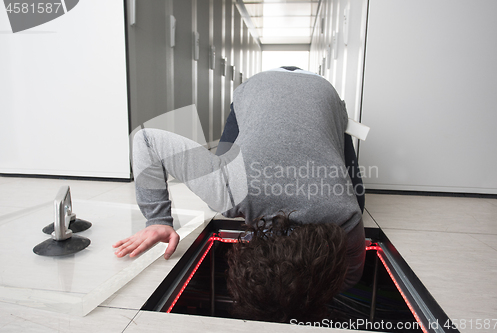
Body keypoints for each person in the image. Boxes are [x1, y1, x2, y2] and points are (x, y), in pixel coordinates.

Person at [113, 67, 366, 321]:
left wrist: (315, 290)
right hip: (288, 87)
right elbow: (146, 140)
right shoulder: (230, 189)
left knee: (358, 198)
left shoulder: (345, 214)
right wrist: (157, 221)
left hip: (315, 90)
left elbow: (352, 274)